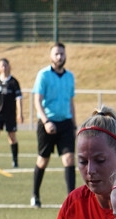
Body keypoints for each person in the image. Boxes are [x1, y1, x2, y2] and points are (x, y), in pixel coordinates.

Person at [30, 42, 76, 208]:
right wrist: (46, 121)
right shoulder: (43, 75)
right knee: (43, 161)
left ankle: (71, 200)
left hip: (65, 123)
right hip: (47, 124)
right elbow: (37, 101)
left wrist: (74, 124)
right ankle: (35, 195)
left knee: (69, 159)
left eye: (62, 54)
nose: (59, 57)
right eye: (56, 54)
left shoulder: (70, 76)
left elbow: (71, 101)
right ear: (51, 56)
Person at [0, 58, 24, 169]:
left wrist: (20, 113)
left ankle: (15, 161)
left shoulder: (14, 82)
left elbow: (19, 99)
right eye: (1, 65)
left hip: (10, 114)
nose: (4, 67)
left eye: (5, 65)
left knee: (12, 137)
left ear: (9, 66)